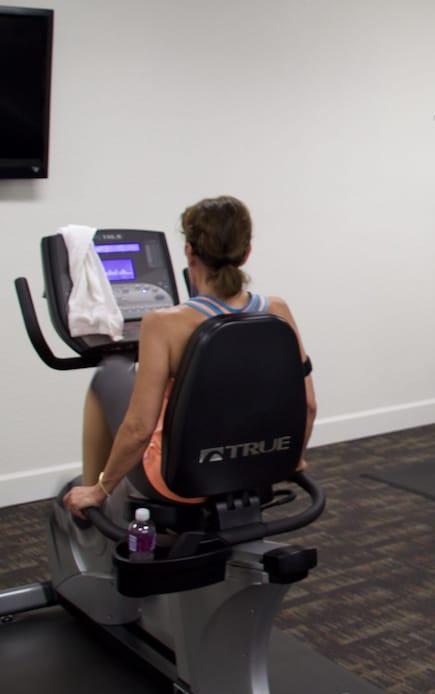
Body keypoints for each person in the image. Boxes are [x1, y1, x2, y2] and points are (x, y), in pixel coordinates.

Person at [63, 195, 315, 519]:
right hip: (260, 470)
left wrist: (101, 490)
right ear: (246, 252)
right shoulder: (277, 310)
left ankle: (89, 496)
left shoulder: (163, 324)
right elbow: (308, 405)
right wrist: (293, 459)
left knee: (110, 372)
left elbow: (139, 428)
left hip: (179, 480)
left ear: (190, 252)